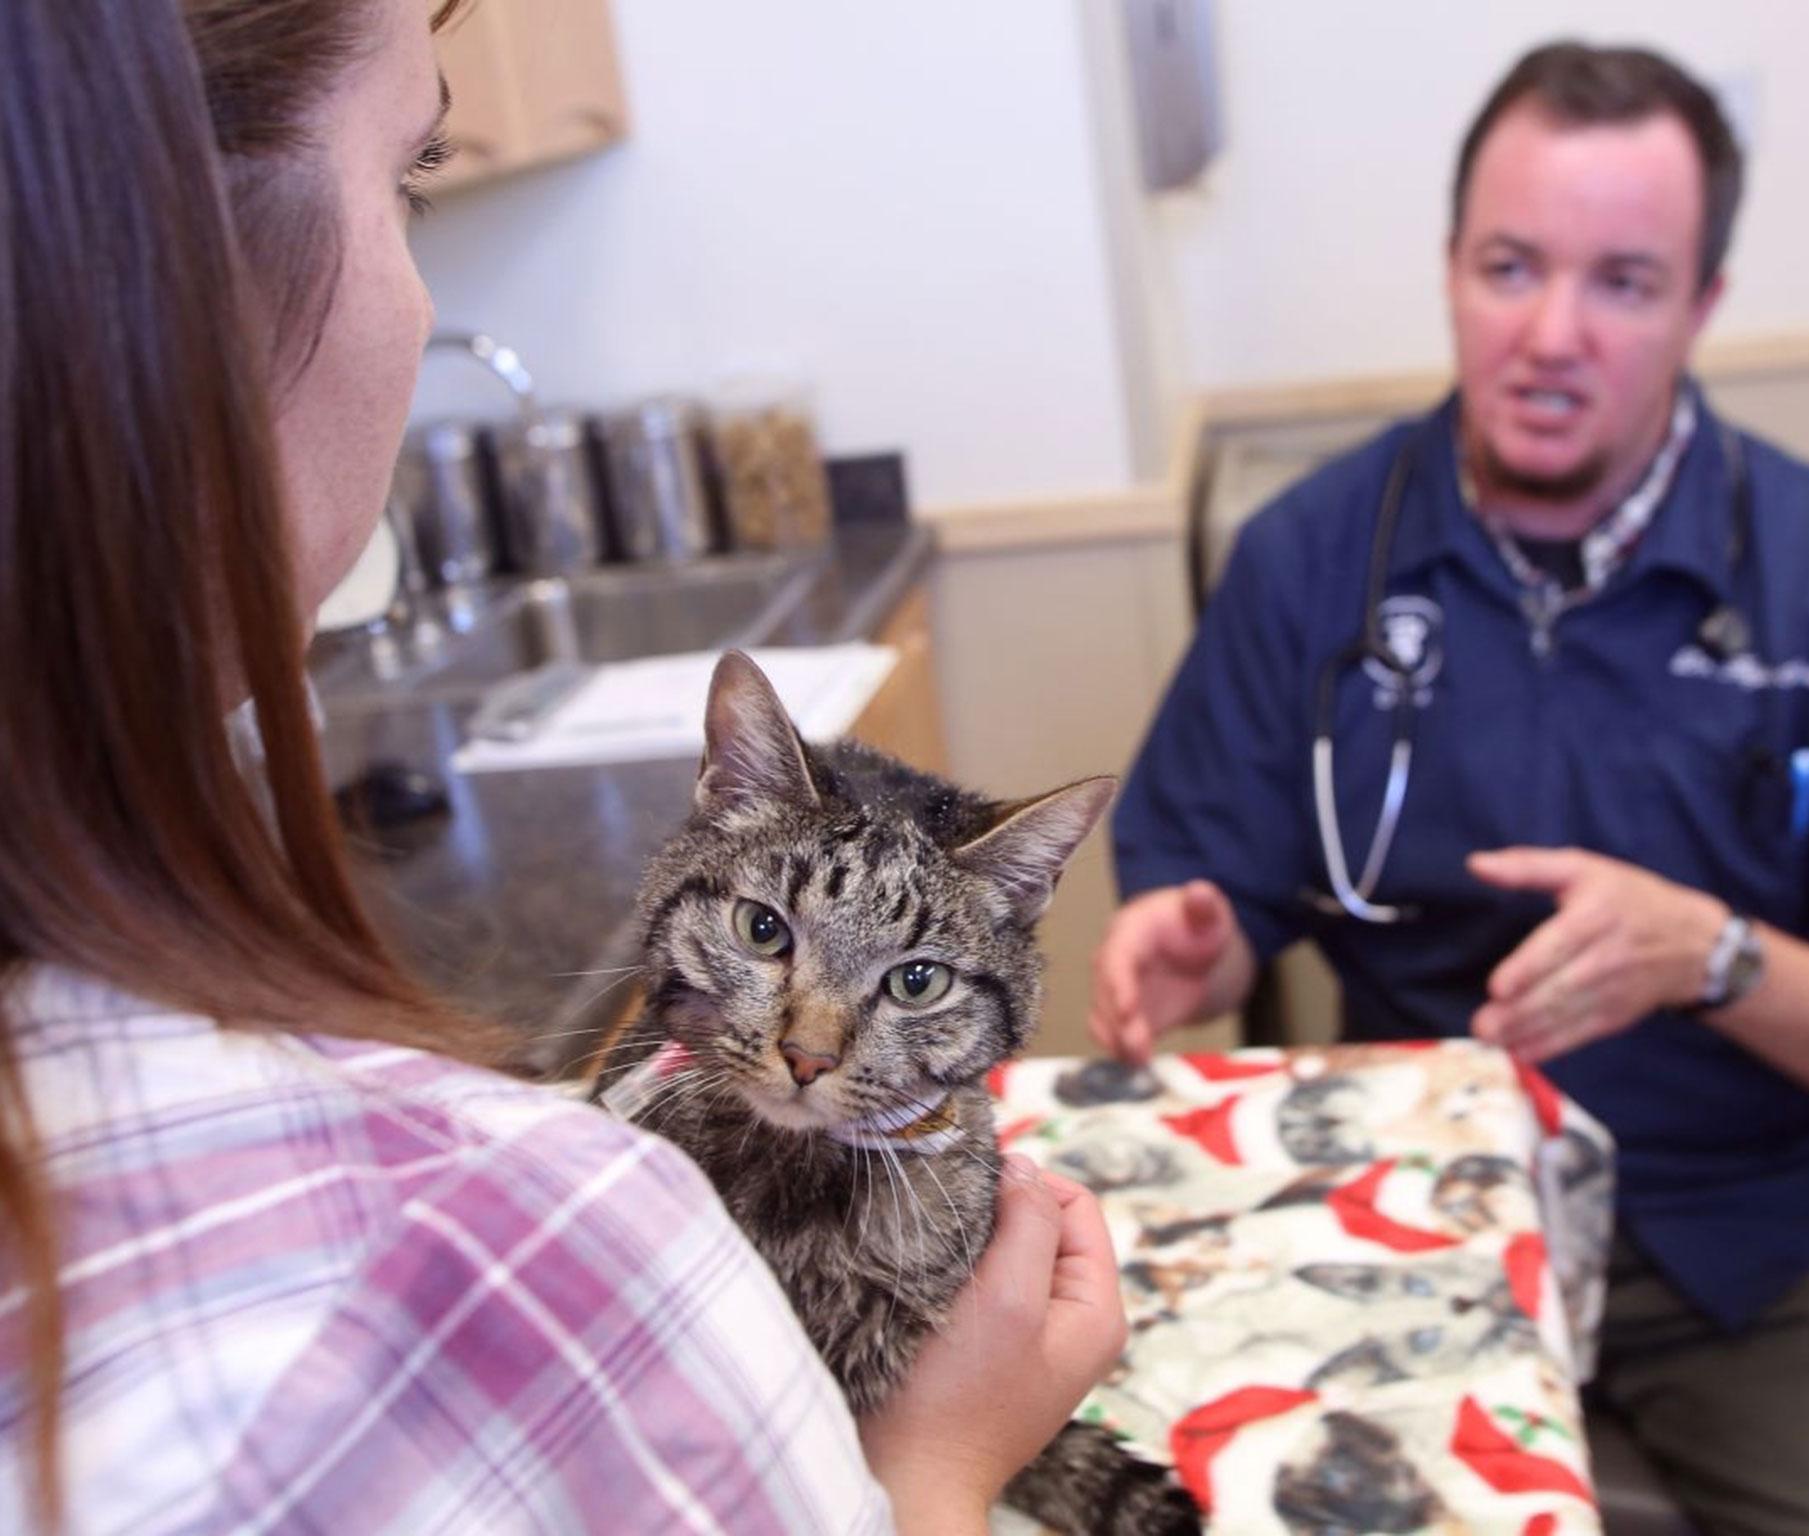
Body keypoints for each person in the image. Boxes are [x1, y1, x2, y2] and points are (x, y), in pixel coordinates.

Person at [0, 2, 1125, 1532]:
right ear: (175, 292)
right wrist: (940, 1466)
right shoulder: (528, 1233)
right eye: (413, 174)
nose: (422, 292)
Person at [1093, 39, 1809, 1535]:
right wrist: (1191, 944)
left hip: (1792, 1233)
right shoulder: (1312, 564)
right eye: (1509, 267)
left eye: (1622, 282)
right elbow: (1208, 906)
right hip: (1422, 1206)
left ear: (1702, 307)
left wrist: (1710, 959)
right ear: (1452, 268)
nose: (1549, 333)